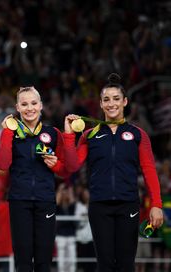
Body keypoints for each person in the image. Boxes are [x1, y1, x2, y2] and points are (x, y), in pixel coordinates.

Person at [63, 73, 164, 271]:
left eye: (116, 99)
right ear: (100, 104)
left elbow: (149, 171)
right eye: (106, 100)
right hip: (100, 207)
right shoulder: (89, 135)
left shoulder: (138, 135)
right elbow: (72, 166)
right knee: (105, 264)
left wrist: (156, 204)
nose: (111, 104)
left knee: (126, 264)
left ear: (125, 101)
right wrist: (68, 135)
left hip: (128, 205)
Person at [0, 86, 67, 272]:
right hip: (19, 200)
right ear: (17, 107)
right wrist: (6, 133)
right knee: (23, 260)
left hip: (45, 200)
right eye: (24, 104)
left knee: (44, 260)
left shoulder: (52, 134)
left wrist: (55, 165)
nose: (30, 108)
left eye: (34, 103)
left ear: (41, 105)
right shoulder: (11, 134)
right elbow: (2, 165)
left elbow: (65, 171)